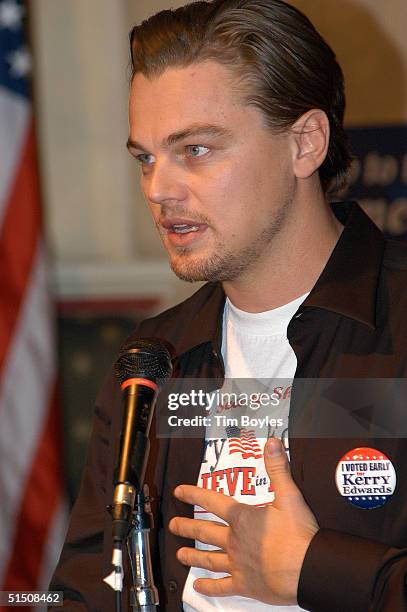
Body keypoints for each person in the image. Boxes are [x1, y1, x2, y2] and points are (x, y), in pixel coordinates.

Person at [50, 0, 407, 610]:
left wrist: (313, 568)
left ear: (305, 144)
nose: (159, 189)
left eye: (195, 150)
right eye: (145, 157)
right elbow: (83, 589)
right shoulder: (152, 361)